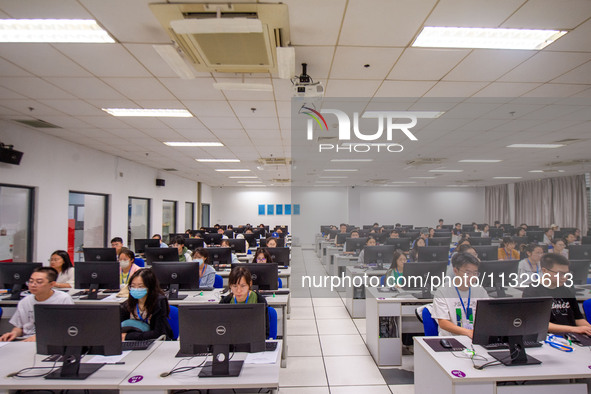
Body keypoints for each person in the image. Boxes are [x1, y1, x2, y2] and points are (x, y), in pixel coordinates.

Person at [523, 253, 591, 335]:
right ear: (545, 271)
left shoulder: (567, 290)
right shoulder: (533, 291)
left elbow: (578, 318)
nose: (565, 277)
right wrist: (574, 329)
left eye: (567, 274)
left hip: (572, 335)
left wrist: (588, 328)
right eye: (560, 273)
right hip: (550, 337)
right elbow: (538, 324)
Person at [0, 267, 74, 342]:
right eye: (31, 281)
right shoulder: (25, 301)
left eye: (39, 282)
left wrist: (39, 337)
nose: (33, 285)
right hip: (26, 340)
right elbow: (19, 327)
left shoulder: (63, 299)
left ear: (52, 284)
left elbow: (68, 327)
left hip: (52, 340)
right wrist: (14, 333)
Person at [431, 253, 489, 338]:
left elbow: (488, 315)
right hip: (451, 339)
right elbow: (443, 322)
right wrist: (468, 332)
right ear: (455, 271)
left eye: (475, 273)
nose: (472, 277)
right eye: (467, 273)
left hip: (475, 337)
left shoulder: (480, 291)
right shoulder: (443, 291)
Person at [120, 268, 173, 341]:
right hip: (132, 342)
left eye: (140, 286)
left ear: (150, 287)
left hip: (156, 342)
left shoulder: (159, 302)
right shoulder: (126, 305)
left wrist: (129, 336)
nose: (136, 289)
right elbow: (117, 330)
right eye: (133, 286)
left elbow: (158, 333)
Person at [220, 266, 269, 337]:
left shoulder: (260, 301)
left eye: (243, 286)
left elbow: (265, 332)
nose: (238, 290)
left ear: (250, 284)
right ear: (230, 285)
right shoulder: (225, 302)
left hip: (254, 341)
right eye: (235, 286)